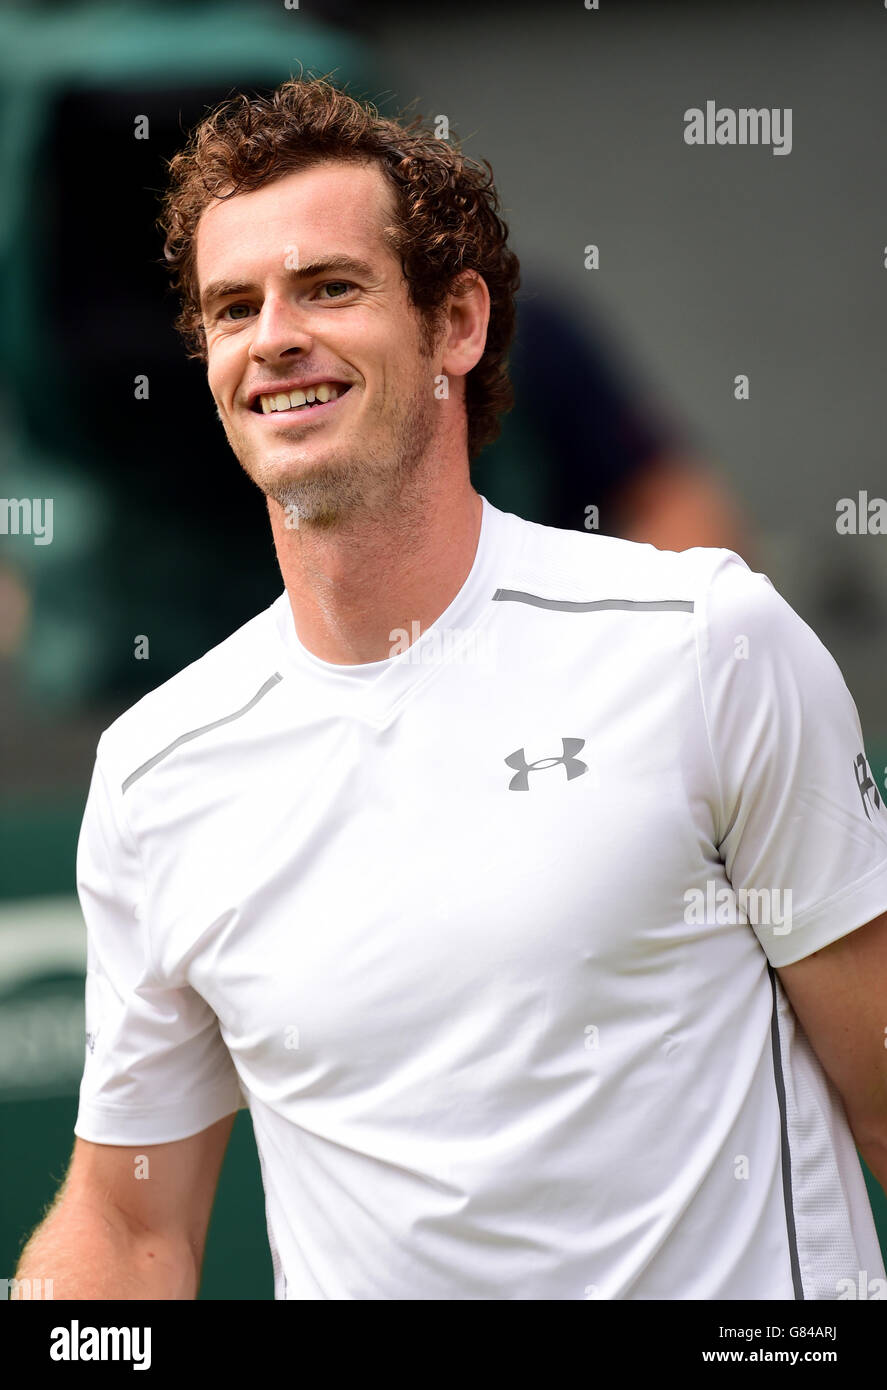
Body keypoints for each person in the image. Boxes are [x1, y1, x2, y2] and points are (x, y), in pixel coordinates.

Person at [15, 77, 887, 1301]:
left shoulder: (704, 642)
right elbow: (130, 1223)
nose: (274, 337)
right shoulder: (157, 771)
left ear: (457, 323)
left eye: (328, 286)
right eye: (232, 306)